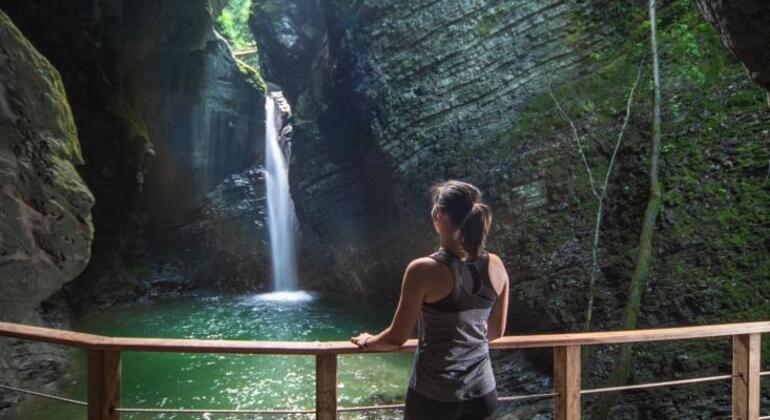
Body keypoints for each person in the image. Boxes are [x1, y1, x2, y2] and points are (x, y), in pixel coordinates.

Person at [351, 180, 510, 420]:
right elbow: (496, 331)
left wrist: (368, 341)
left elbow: (396, 338)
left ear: (438, 213)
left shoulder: (423, 270)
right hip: (483, 393)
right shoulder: (496, 264)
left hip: (435, 399)